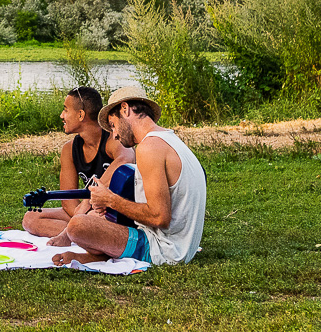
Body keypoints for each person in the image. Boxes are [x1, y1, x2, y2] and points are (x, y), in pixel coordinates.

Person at [53, 85, 206, 267]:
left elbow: (159, 218)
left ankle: (101, 255)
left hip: (164, 250)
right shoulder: (169, 139)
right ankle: (94, 257)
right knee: (94, 219)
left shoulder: (149, 148)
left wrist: (111, 200)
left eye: (113, 125)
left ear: (125, 109)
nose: (115, 135)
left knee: (77, 226)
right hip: (182, 246)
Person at [21, 86, 124, 240]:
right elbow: (68, 203)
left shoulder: (112, 139)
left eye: (66, 110)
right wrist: (82, 215)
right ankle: (82, 232)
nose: (62, 115)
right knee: (30, 218)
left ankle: (82, 232)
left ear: (81, 114)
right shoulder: (69, 149)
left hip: (112, 212)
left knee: (93, 218)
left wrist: (88, 201)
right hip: (87, 212)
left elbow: (126, 158)